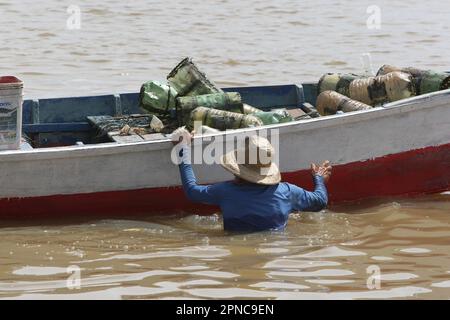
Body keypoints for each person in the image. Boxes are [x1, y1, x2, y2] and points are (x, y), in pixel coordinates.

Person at [172, 128, 332, 232]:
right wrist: (318, 178)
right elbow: (320, 201)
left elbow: (191, 191)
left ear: (237, 169)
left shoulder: (225, 192)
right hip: (276, 247)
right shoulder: (287, 191)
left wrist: (182, 147)